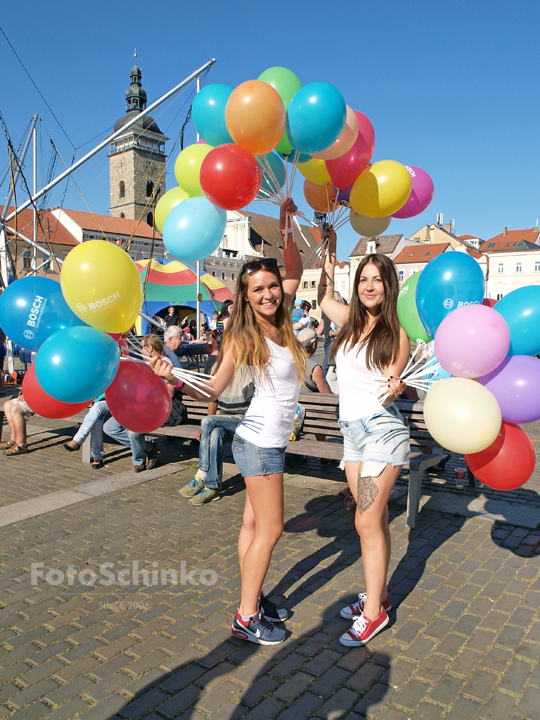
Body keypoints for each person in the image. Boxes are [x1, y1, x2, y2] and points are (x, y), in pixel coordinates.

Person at [152, 198, 305, 645]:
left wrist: (287, 225)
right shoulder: (245, 333)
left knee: (253, 527)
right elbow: (215, 388)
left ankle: (252, 599)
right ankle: (245, 616)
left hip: (265, 441)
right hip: (258, 443)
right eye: (257, 290)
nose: (268, 294)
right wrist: (172, 378)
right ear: (245, 296)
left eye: (271, 286)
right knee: (272, 528)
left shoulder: (284, 323)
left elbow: (294, 268)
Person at [318, 228, 409, 647]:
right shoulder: (349, 322)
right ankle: (379, 594)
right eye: (364, 279)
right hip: (352, 436)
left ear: (388, 287)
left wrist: (396, 386)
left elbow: (395, 378)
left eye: (377, 279)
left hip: (382, 434)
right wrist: (330, 252)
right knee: (374, 521)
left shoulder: (395, 335)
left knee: (365, 519)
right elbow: (322, 297)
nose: (370, 286)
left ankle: (374, 614)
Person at [180, 334, 254, 506]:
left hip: (243, 420)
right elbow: (212, 400)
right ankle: (213, 487)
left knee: (208, 423)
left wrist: (208, 422)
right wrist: (206, 428)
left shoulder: (246, 368)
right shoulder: (216, 368)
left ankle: (202, 474)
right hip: (224, 420)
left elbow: (254, 403)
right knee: (215, 434)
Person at [63, 397, 108, 469]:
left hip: (115, 402)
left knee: (97, 407)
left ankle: (78, 440)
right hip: (102, 402)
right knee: (96, 422)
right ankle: (97, 457)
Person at [296, 328, 331, 394]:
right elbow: (328, 396)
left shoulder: (289, 362)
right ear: (314, 345)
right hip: (309, 403)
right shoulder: (315, 369)